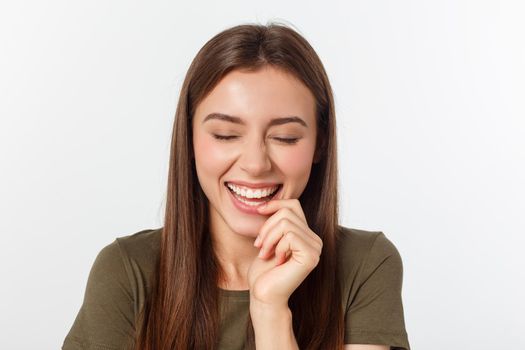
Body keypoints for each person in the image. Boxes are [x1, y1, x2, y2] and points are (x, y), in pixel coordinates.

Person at [62, 22, 410, 350]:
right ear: (190, 139)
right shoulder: (127, 272)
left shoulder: (366, 265)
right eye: (226, 135)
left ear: (319, 144)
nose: (256, 163)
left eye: (285, 137)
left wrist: (270, 309)